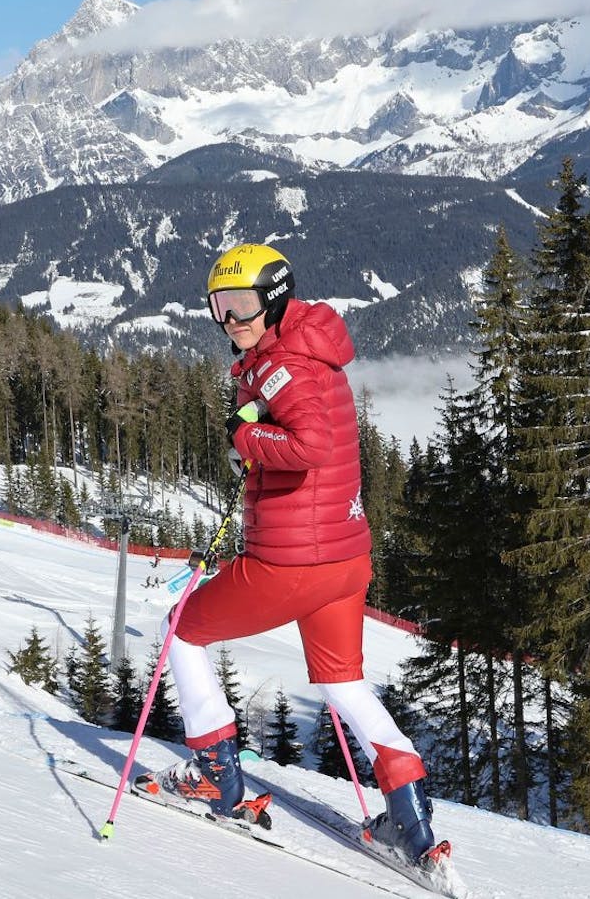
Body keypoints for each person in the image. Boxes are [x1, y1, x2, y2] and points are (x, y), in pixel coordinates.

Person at [147, 242, 450, 873]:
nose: (230, 320)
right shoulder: (306, 350)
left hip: (291, 562)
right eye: (218, 307)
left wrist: (243, 435)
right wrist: (256, 439)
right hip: (344, 557)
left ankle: (214, 777)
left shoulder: (284, 365)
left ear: (276, 299)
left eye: (242, 305)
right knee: (343, 681)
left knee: (181, 631)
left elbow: (308, 444)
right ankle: (411, 820)